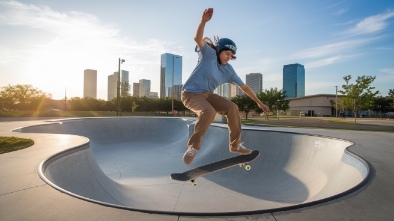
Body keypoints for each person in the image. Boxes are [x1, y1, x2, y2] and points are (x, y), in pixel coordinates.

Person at [181, 8, 270, 164]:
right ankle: (193, 147)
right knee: (208, 111)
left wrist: (259, 103)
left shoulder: (228, 70)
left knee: (232, 108)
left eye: (231, 56)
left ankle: (235, 145)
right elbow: (197, 38)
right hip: (190, 94)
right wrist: (203, 22)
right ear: (219, 50)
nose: (229, 58)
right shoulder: (208, 55)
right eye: (227, 54)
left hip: (208, 95)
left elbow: (245, 88)